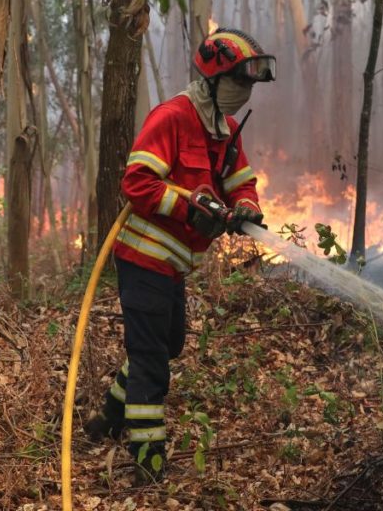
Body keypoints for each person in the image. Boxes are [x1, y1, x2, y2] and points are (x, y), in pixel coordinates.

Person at [84, 28, 276, 482]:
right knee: (151, 359)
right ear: (211, 79)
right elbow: (137, 184)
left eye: (249, 84)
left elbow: (240, 181)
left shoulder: (226, 129)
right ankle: (147, 457)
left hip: (174, 266)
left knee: (167, 345)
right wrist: (190, 205)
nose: (243, 92)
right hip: (144, 259)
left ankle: (109, 415)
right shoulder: (171, 117)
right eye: (237, 82)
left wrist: (246, 203)